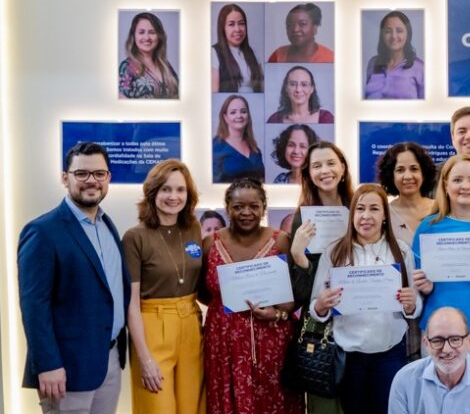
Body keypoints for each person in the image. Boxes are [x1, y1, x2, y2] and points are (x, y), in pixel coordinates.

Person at [19, 142, 130, 414]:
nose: (91, 181)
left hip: (109, 361)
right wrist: (47, 364)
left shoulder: (107, 224)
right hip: (65, 369)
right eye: (82, 173)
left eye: (99, 174)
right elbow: (35, 306)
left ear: (108, 179)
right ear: (65, 177)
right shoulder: (43, 231)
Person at [310, 184, 422, 412]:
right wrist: (321, 305)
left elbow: (415, 306)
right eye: (360, 209)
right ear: (352, 214)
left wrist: (411, 303)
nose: (366, 216)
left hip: (390, 354)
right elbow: (316, 308)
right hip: (350, 357)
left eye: (374, 209)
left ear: (384, 216)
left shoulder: (401, 251)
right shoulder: (334, 252)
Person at [201, 178, 302, 414]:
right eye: (238, 207)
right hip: (223, 345)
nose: (246, 213)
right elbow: (204, 292)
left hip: (272, 344)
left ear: (263, 207)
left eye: (254, 206)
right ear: (228, 208)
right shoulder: (210, 244)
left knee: (273, 401)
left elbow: (297, 292)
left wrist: (277, 312)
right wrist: (230, 315)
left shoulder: (281, 241)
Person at [122, 160, 204, 414]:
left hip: (191, 324)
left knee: (193, 407)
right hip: (152, 327)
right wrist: (145, 358)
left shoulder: (193, 228)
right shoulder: (135, 237)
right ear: (152, 192)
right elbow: (131, 304)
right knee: (157, 407)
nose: (173, 196)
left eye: (180, 190)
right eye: (166, 189)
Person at [411, 155, 470, 364]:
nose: (465, 186)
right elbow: (414, 284)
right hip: (437, 331)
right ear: (445, 185)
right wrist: (423, 287)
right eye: (457, 180)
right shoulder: (428, 227)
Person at [284, 142, 355, 414]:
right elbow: (299, 294)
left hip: (358, 319)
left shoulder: (359, 209)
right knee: (323, 405)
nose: (325, 171)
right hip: (318, 326)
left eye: (330, 163)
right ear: (308, 174)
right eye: (316, 166)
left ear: (343, 167)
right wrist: (298, 254)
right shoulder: (302, 218)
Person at [387, 307, 470, 414]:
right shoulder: (404, 380)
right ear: (426, 343)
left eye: (455, 339)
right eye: (437, 340)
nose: (446, 349)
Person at [377, 142, 438, 247]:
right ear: (391, 176)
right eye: (400, 170)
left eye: (414, 169)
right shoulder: (384, 214)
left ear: (424, 173)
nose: (408, 176)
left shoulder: (441, 208)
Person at [364, 10, 425, 99]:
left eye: (399, 31)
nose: (393, 36)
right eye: (388, 31)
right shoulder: (372, 63)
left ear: (408, 34)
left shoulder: (420, 68)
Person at [119, 11, 179, 99]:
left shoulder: (166, 66)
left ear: (159, 36)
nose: (147, 38)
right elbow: (122, 105)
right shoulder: (127, 67)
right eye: (141, 32)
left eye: (152, 32)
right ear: (134, 36)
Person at [211, 3, 265, 93]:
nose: (237, 29)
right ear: (222, 28)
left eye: (241, 24)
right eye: (231, 24)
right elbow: (214, 93)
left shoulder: (253, 52)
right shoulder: (214, 53)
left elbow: (262, 88)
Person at [212, 94, 266, 183]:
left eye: (243, 111)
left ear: (248, 115)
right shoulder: (215, 147)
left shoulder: (254, 149)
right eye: (233, 112)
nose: (239, 116)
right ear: (225, 117)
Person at [267, 2, 334, 63]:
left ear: (314, 28)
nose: (295, 29)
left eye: (302, 24)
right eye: (290, 25)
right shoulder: (277, 55)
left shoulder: (329, 58)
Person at [267, 66, 334, 124]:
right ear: (286, 88)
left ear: (312, 89)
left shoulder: (327, 118)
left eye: (304, 84)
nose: (298, 90)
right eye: (293, 84)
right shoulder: (274, 119)